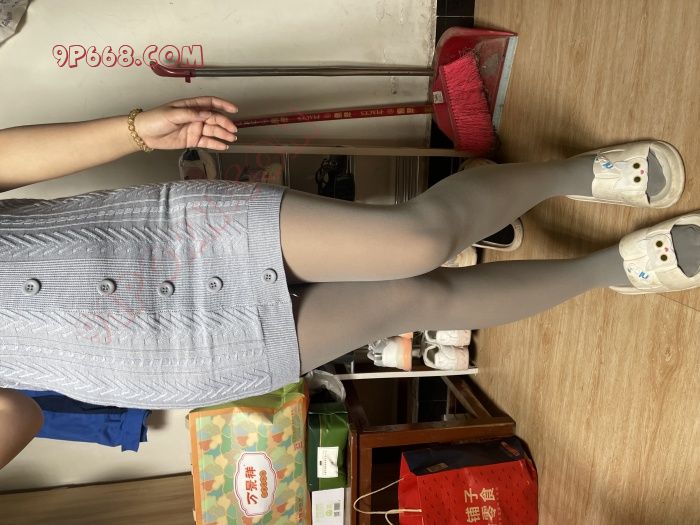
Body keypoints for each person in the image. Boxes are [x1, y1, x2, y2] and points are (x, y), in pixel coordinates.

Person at [0, 96, 696, 470]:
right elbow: (20, 416)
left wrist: (132, 130)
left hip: (164, 235)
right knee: (417, 297)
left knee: (417, 239)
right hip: (171, 352)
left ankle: (575, 173)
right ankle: (610, 270)